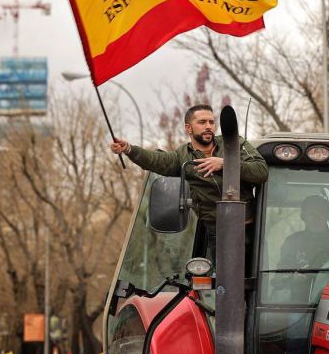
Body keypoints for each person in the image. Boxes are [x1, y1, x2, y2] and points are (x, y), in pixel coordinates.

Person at [110, 104, 268, 258]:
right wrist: (129, 149)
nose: (209, 126)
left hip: (251, 230)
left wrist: (225, 164)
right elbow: (156, 160)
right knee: (222, 284)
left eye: (211, 122)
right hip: (218, 235)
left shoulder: (235, 144)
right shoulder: (183, 156)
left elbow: (261, 171)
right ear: (188, 128)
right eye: (202, 122)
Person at [279, 196, 329, 269]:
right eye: (312, 214)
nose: (317, 218)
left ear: (328, 215)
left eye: (321, 213)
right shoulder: (292, 242)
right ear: (303, 217)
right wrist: (295, 277)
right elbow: (283, 274)